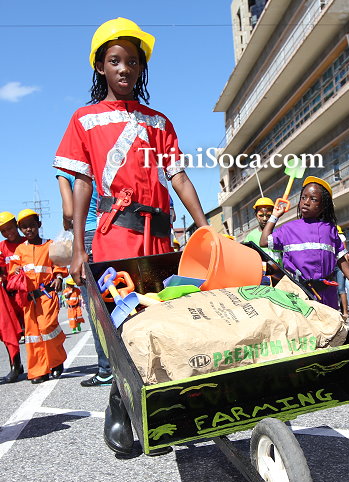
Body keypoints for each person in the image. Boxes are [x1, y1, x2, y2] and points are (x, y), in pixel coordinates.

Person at [53, 18, 208, 455]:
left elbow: (178, 177)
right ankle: (120, 404)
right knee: (124, 322)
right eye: (115, 60)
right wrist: (79, 249)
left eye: (133, 61)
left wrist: (204, 228)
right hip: (115, 234)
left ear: (142, 68)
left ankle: (156, 409)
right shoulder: (83, 120)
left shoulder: (159, 122)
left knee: (162, 318)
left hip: (158, 237)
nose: (125, 68)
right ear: (100, 66)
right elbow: (82, 183)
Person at [260, 176, 349, 309]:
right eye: (303, 197)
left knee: (329, 321)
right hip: (298, 293)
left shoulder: (330, 229)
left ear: (323, 206)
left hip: (327, 294)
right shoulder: (288, 229)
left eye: (313, 199)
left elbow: (340, 258)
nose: (306, 202)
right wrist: (274, 216)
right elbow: (264, 241)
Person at [56, 169, 113, 386]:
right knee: (117, 300)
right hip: (110, 231)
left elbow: (69, 211)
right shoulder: (99, 162)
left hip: (86, 237)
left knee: (96, 308)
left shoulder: (65, 171)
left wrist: (66, 223)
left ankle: (106, 369)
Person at [9, 210, 67, 384]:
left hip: (46, 295)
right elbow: (13, 269)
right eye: (24, 227)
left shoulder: (50, 245)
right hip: (28, 300)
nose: (28, 229)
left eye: (32, 225)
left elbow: (59, 264)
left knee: (48, 328)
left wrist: (58, 277)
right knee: (33, 335)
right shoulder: (20, 249)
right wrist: (16, 271)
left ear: (39, 225)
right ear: (20, 230)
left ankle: (56, 361)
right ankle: (39, 371)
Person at [0, 212, 25, 382]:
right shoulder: (2, 247)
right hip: (10, 296)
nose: (8, 232)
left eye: (10, 228)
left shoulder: (28, 242)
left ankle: (44, 364)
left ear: (16, 225)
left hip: (27, 294)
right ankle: (16, 365)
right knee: (10, 332)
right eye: (3, 231)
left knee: (33, 330)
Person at [244, 198, 282, 264]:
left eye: (268, 215)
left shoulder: (279, 234)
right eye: (261, 215)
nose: (264, 219)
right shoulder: (250, 237)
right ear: (256, 215)